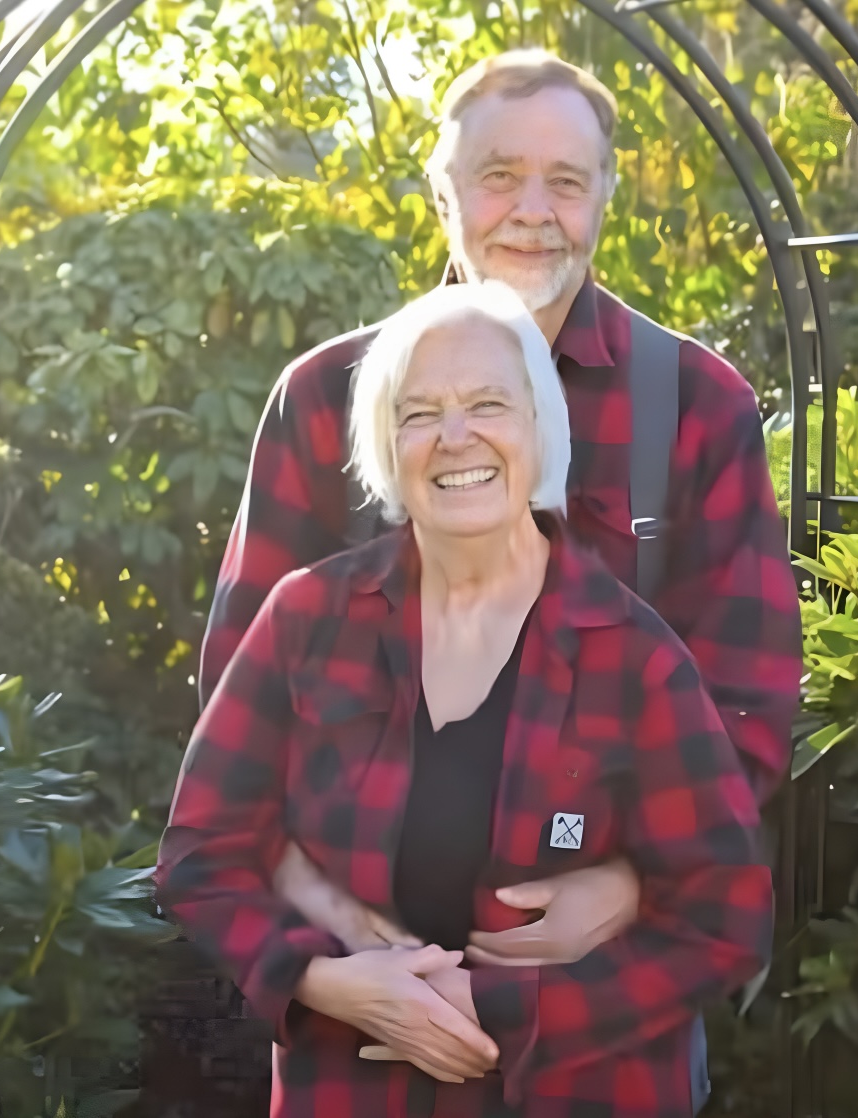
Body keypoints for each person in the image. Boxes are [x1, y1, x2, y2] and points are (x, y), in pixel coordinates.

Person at [196, 48, 803, 1099]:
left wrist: (627, 880)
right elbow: (237, 722)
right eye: (497, 176)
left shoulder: (695, 409)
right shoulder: (325, 397)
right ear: (443, 191)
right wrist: (331, 939)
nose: (532, 212)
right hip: (364, 1029)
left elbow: (749, 707)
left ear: (606, 197)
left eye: (566, 182)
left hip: (600, 1021)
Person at [158, 281, 773, 1116]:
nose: (455, 438)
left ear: (540, 430)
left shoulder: (635, 660)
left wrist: (498, 1013)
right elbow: (202, 851)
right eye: (419, 413)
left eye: (489, 403)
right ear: (385, 445)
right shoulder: (304, 619)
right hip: (345, 1092)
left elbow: (725, 915)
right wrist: (323, 980)